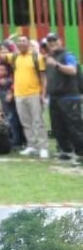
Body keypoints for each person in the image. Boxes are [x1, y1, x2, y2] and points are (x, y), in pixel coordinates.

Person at [43, 33, 83, 163]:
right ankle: (66, 151)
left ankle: (80, 152)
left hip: (69, 97)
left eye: (54, 40)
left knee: (74, 126)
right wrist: (45, 94)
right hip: (54, 98)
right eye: (49, 41)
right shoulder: (50, 57)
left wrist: (56, 64)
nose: (51, 43)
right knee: (58, 126)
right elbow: (48, 78)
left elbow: (72, 70)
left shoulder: (68, 55)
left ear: (60, 41)